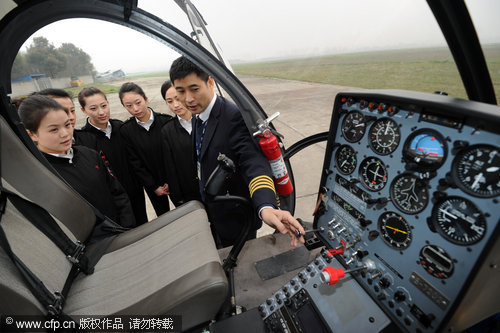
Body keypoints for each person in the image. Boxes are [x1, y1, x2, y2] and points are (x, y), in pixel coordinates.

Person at [169, 56, 305, 248]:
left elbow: (254, 164)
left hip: (236, 219)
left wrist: (266, 206)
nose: (188, 99)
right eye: (180, 91)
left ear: (210, 82)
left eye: (194, 89)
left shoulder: (232, 117)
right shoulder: (198, 115)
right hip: (214, 210)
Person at [18, 95, 136, 241]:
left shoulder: (90, 155)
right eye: (54, 130)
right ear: (32, 134)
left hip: (121, 234)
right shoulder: (40, 174)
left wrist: (127, 228)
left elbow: (118, 193)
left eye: (67, 125)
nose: (65, 133)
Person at [77, 87, 148, 226]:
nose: (101, 112)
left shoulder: (121, 128)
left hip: (136, 194)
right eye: (93, 108)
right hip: (113, 203)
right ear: (83, 110)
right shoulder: (84, 140)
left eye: (104, 106)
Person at [119, 82, 173, 217]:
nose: (135, 109)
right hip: (152, 186)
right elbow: (135, 162)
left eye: (138, 102)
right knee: (164, 218)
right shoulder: (126, 130)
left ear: (146, 99)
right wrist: (153, 186)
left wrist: (171, 180)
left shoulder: (166, 122)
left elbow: (174, 155)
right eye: (129, 106)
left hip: (174, 179)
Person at [160, 80, 201, 207]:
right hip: (189, 193)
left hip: (214, 187)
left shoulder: (203, 121)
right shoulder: (167, 131)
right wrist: (177, 196)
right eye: (170, 101)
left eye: (178, 98)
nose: (176, 105)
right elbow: (170, 167)